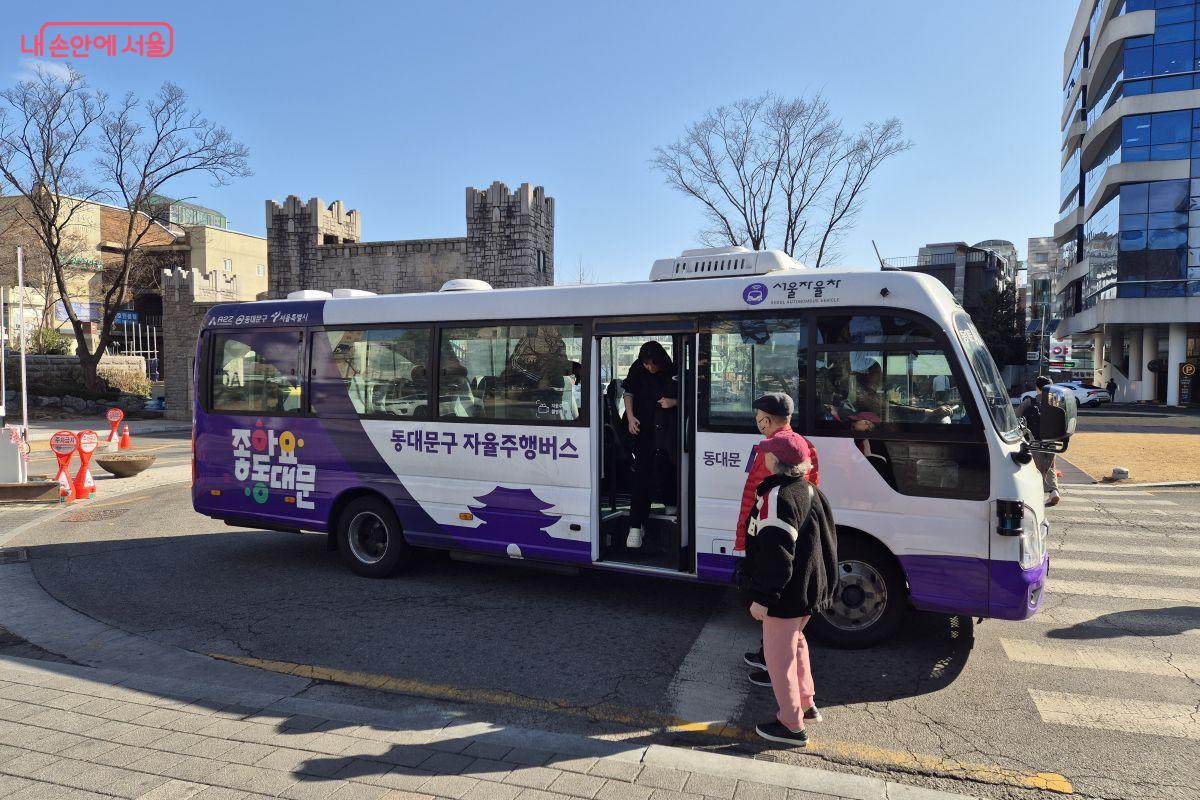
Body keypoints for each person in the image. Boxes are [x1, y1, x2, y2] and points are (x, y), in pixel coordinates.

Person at [742, 430, 838, 747]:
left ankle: (791, 725)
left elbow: (777, 555)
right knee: (796, 644)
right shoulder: (809, 489)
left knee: (777, 659)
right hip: (808, 589)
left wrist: (763, 598)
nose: (764, 456)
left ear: (775, 461)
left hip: (785, 595)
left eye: (768, 452)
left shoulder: (777, 499)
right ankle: (807, 704)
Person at [736, 393, 819, 677]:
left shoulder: (773, 451)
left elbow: (761, 501)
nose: (757, 422)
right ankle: (768, 655)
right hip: (790, 535)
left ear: (767, 420)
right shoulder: (802, 445)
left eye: (759, 418)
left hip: (770, 536)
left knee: (774, 606)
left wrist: (746, 538)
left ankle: (773, 667)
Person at [622, 341, 678, 549]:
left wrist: (673, 402)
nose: (650, 368)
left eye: (653, 364)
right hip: (642, 426)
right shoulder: (637, 368)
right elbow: (628, 393)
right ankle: (635, 526)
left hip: (667, 428)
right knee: (642, 474)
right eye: (646, 364)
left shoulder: (673, 370)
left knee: (667, 464)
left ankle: (671, 501)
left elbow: (690, 397)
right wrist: (630, 417)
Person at [1020, 375, 1060, 507]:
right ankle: (1053, 492)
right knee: (1050, 466)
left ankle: (1034, 495)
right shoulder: (1055, 402)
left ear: (1037, 387)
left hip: (1034, 440)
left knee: (1035, 468)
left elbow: (1015, 417)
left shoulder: (1029, 402)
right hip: (1052, 440)